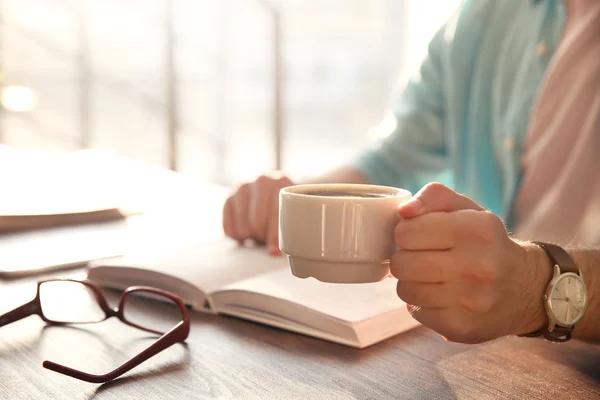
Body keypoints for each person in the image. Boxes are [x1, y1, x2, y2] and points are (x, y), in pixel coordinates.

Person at [222, 0, 600, 344]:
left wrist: (536, 286)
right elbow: (390, 162)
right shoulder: (482, 16)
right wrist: (300, 197)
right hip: (479, 355)